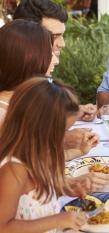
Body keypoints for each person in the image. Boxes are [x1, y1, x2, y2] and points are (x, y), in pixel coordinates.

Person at [0, 19, 109, 192]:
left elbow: (37, 161)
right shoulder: (4, 115)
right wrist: (68, 183)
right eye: (49, 53)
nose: (56, 61)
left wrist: (79, 152)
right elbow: (16, 184)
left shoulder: (22, 102)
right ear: (28, 59)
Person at [0, 77, 87, 232]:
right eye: (63, 131)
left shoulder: (38, 157)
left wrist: (65, 189)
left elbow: (34, 198)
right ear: (41, 128)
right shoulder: (13, 170)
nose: (64, 137)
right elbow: (3, 227)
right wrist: (57, 220)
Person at [13, 0, 98, 126]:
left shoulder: (38, 70)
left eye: (63, 35)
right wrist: (65, 140)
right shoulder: (10, 84)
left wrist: (70, 112)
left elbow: (38, 114)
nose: (62, 44)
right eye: (54, 36)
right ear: (27, 34)